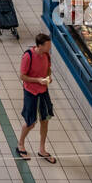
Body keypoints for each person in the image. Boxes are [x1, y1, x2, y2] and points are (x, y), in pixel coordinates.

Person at [17, 33, 56, 163]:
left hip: (43, 91)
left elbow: (48, 69)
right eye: (48, 45)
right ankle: (20, 144)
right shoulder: (28, 56)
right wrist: (37, 80)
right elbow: (22, 76)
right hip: (31, 92)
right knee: (30, 122)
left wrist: (48, 77)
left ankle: (42, 149)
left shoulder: (46, 55)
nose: (50, 47)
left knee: (45, 120)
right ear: (40, 45)